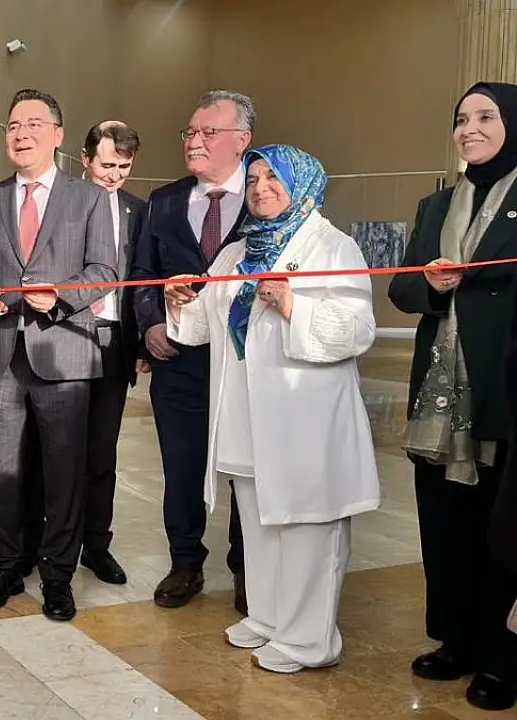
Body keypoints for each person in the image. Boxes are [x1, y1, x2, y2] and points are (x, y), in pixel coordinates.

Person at [165, 144, 379, 674]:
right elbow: (204, 326)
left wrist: (292, 305)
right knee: (259, 522)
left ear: (301, 183)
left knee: (307, 528)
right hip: (244, 413)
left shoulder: (334, 246)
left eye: (273, 178)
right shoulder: (237, 252)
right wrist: (180, 302)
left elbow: (357, 330)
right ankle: (267, 617)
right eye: (254, 179)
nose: (261, 188)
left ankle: (309, 640)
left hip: (306, 419)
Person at [0, 89, 116, 621]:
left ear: (58, 135)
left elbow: (104, 270)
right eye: (12, 126)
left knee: (64, 471)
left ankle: (57, 574)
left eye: (32, 124)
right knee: (1, 471)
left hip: (64, 352)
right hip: (0, 353)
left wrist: (63, 295)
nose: (21, 134)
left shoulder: (88, 198)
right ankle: (5, 565)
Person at [389, 80, 517, 712]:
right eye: (461, 119)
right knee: (444, 526)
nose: (470, 129)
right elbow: (402, 288)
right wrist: (432, 286)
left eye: (486, 117)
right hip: (438, 398)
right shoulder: (435, 205)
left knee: (500, 532)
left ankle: (499, 656)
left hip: (503, 387)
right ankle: (455, 640)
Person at [131, 90, 251, 612]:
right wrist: (150, 323)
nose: (194, 141)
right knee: (181, 467)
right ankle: (185, 563)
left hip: (244, 363)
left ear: (241, 140)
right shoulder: (164, 200)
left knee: (245, 470)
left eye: (208, 132)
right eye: (190, 132)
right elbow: (141, 273)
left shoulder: (267, 195)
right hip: (179, 361)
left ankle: (247, 568)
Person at [78, 119, 147, 585]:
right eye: (106, 165)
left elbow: (143, 277)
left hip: (114, 342)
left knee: (102, 452)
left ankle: (96, 545)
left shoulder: (137, 211)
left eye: (123, 167)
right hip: (66, 337)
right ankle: (51, 540)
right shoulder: (64, 202)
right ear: (85, 159)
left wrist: (141, 341)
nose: (114, 175)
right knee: (56, 450)